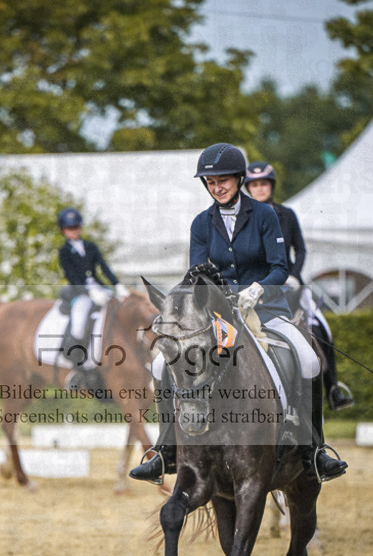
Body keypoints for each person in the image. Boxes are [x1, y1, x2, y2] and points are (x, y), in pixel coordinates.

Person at [130, 143, 347, 484]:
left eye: (223, 180)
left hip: (266, 307)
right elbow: (197, 276)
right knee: (160, 364)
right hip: (219, 316)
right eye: (210, 182)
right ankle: (166, 450)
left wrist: (257, 289)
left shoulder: (264, 216)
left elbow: (280, 267)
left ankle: (314, 450)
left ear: (239, 179)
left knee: (308, 359)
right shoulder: (201, 223)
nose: (217, 187)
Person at [244, 162, 355, 412]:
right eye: (255, 185)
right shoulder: (245, 219)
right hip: (257, 288)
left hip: (290, 285)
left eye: (263, 184)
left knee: (322, 327)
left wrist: (293, 276)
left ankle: (333, 388)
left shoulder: (287, 215)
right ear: (249, 188)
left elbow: (300, 249)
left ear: (271, 186)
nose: (259, 189)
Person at [57, 207, 128, 385]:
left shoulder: (90, 246)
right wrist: (89, 292)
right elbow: (71, 276)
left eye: (76, 227)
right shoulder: (64, 251)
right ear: (64, 230)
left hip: (99, 288)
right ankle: (77, 367)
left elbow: (103, 267)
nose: (74, 231)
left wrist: (117, 285)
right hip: (80, 292)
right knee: (79, 325)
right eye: (70, 228)